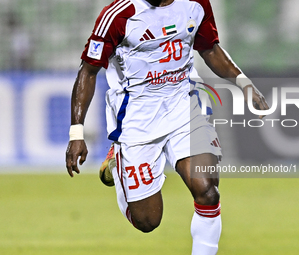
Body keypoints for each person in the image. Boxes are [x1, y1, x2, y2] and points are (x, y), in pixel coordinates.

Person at [65, 0, 269, 254]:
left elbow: (210, 49)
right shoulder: (118, 15)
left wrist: (244, 84)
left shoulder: (195, 4)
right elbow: (88, 71)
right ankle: (119, 162)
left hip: (184, 107)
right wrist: (76, 133)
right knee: (147, 221)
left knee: (207, 190)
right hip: (137, 121)